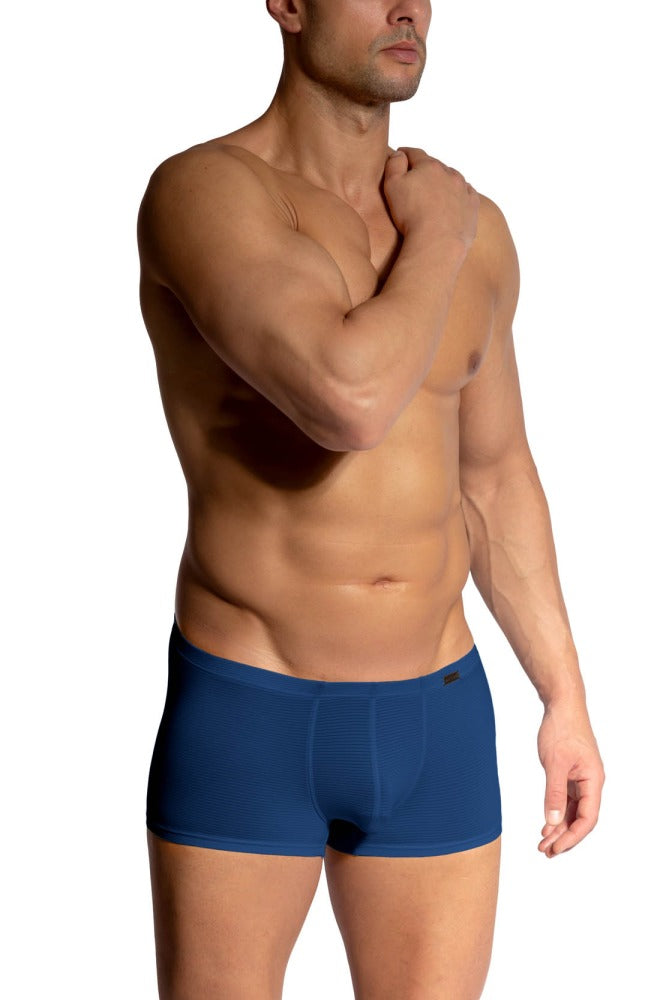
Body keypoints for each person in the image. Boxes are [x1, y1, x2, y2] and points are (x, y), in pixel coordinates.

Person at [137, 1, 605, 997]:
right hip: (253, 706)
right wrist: (436, 237)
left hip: (438, 715)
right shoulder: (204, 193)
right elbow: (345, 398)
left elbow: (495, 473)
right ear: (288, 4)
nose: (406, 8)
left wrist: (563, 695)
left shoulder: (475, 229)